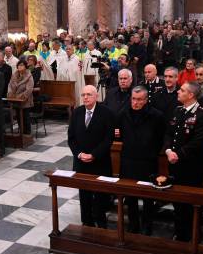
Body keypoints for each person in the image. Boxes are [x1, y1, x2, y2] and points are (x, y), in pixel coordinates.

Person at [165, 81, 203, 241]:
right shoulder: (177, 110)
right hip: (174, 165)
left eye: (182, 90)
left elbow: (199, 141)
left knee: (191, 203)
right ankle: (180, 233)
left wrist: (178, 154)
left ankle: (193, 234)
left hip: (191, 166)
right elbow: (169, 134)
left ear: (191, 95)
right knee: (177, 202)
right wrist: (168, 150)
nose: (178, 91)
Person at [117, 86, 165, 235]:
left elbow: (160, 139)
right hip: (128, 160)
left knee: (148, 197)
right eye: (133, 99)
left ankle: (147, 226)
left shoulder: (156, 116)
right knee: (130, 197)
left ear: (146, 100)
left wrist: (150, 151)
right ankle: (133, 225)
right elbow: (120, 134)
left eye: (139, 100)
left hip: (147, 161)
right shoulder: (123, 113)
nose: (135, 102)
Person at [67, 85, 115, 228]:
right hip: (81, 162)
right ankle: (86, 222)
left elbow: (109, 139)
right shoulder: (77, 112)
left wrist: (94, 154)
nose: (85, 97)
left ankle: (101, 223)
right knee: (84, 195)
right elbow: (71, 138)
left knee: (100, 196)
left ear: (96, 96)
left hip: (100, 162)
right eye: (83, 95)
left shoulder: (106, 113)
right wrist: (80, 154)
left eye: (89, 94)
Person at [7, 60, 34, 135]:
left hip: (25, 100)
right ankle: (21, 132)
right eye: (19, 65)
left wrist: (20, 97)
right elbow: (10, 85)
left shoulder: (29, 76)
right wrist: (10, 94)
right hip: (15, 100)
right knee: (18, 116)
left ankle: (27, 134)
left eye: (22, 65)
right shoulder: (14, 75)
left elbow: (29, 89)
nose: (20, 67)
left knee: (25, 117)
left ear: (25, 67)